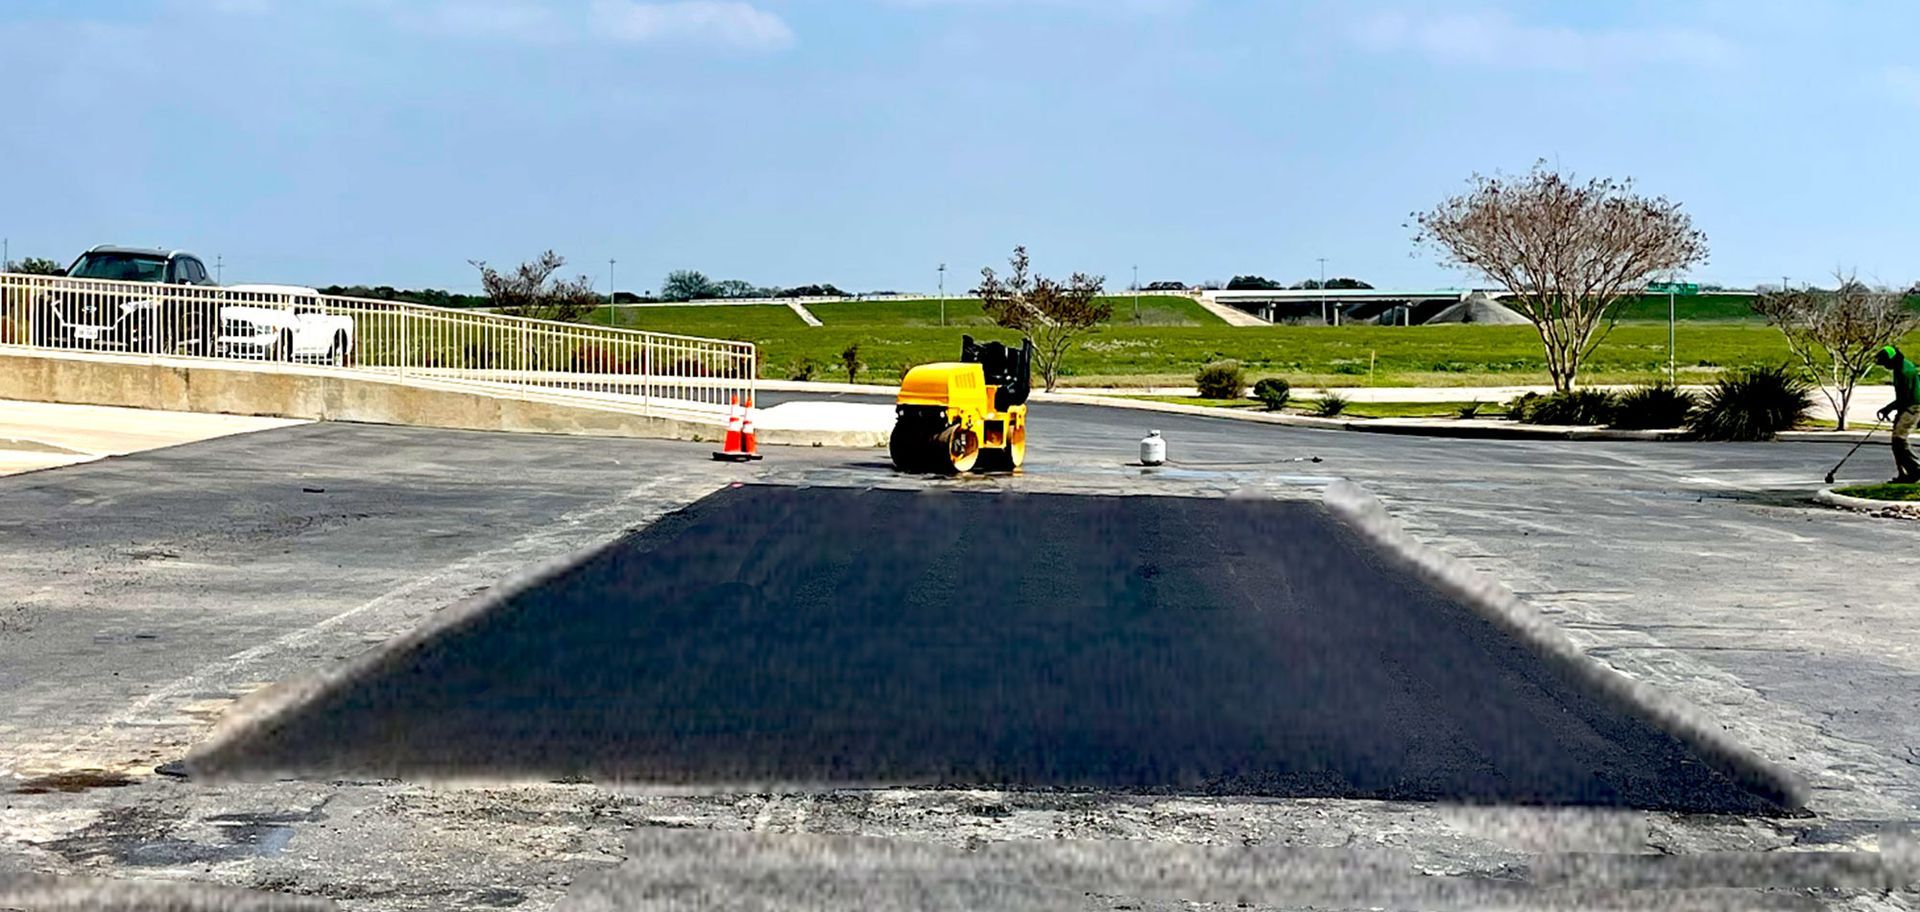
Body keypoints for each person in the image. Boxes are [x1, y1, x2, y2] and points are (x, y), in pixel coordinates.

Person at [1874, 345, 1920, 483]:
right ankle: (1905, 475)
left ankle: (1916, 469)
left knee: (1900, 438)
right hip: (1905, 406)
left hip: (1913, 407)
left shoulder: (1905, 371)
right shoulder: (1898, 367)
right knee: (1896, 442)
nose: (1885, 366)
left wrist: (1888, 408)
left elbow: (1905, 398)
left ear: (1892, 360)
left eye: (1885, 363)